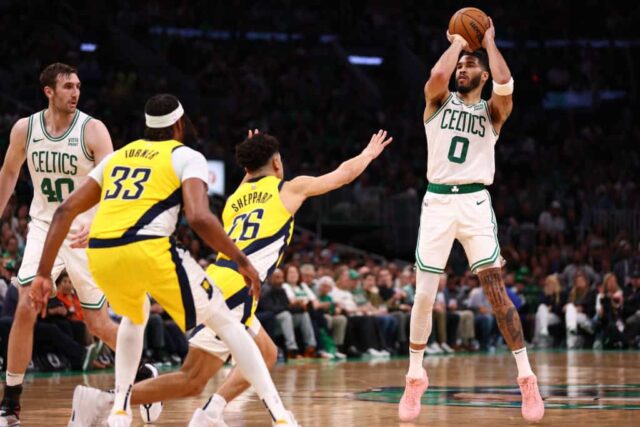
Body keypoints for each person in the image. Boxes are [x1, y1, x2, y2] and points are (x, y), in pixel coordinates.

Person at [66, 126, 392, 426]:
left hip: (222, 278)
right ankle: (101, 401)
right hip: (236, 287)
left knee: (267, 353)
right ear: (277, 163)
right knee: (192, 379)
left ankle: (212, 412)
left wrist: (251, 156)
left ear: (247, 169)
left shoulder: (235, 199)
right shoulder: (290, 189)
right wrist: (367, 155)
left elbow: (249, 182)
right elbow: (341, 176)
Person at [29, 95, 298, 427]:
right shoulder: (186, 155)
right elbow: (199, 217)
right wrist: (241, 260)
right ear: (179, 125)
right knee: (229, 324)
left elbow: (65, 210)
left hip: (102, 252)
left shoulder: (118, 157)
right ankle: (281, 418)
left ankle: (118, 411)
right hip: (149, 250)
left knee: (133, 318)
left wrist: (43, 273)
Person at [398, 18, 544, 422]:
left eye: (469, 65)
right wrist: (458, 43)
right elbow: (437, 75)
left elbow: (506, 83)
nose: (462, 69)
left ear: (481, 74)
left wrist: (490, 44)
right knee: (424, 295)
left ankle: (526, 377)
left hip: (476, 203)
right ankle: (415, 376)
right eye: (461, 65)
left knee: (497, 293)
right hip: (438, 202)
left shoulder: (493, 112)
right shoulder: (436, 102)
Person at [0, 63, 119, 425]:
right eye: (68, 86)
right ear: (48, 91)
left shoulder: (93, 129)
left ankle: (141, 366)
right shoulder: (26, 129)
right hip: (43, 227)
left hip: (83, 231)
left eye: (79, 86)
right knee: (24, 306)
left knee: (98, 323)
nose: (75, 92)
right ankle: (11, 401)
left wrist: (97, 225)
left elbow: (114, 184)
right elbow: (8, 173)